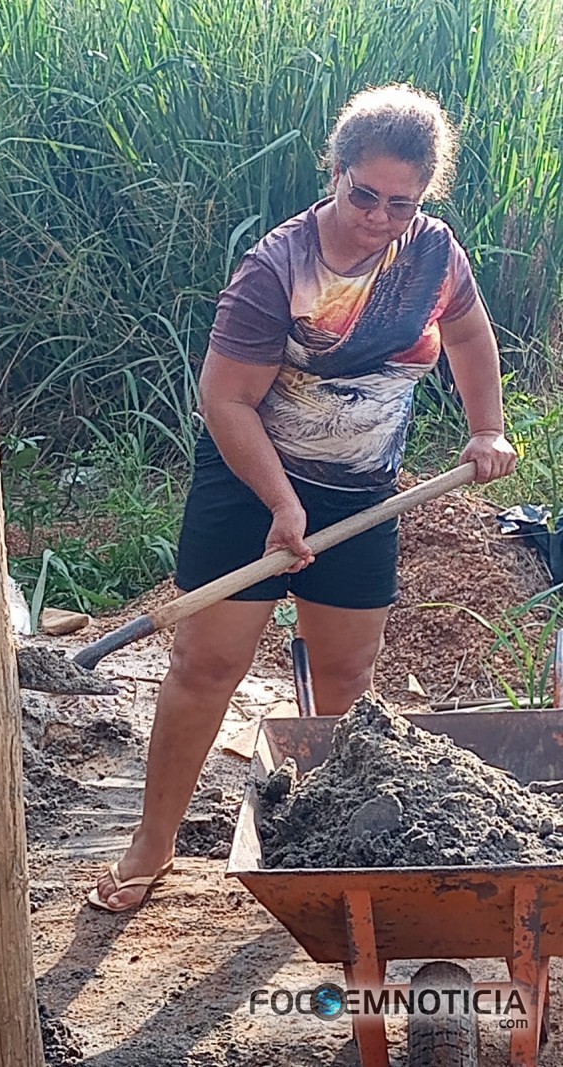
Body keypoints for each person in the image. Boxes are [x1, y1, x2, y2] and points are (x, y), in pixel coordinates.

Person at [88, 84, 517, 912]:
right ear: (337, 170)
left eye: (402, 202)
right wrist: (283, 505)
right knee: (208, 662)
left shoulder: (433, 253)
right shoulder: (276, 270)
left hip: (364, 494)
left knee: (348, 674)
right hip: (252, 487)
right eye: (365, 195)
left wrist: (487, 428)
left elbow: (467, 332)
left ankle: (326, 842)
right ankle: (155, 841)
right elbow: (224, 400)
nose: (380, 217)